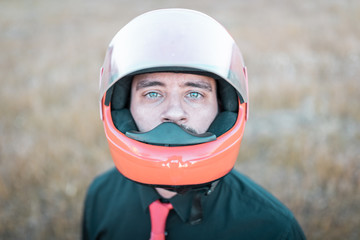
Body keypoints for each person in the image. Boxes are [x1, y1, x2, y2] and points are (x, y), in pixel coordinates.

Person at [82, 8, 306, 240]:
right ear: (123, 108)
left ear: (223, 108)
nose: (174, 113)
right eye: (152, 94)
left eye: (195, 94)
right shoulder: (100, 197)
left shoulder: (273, 231)